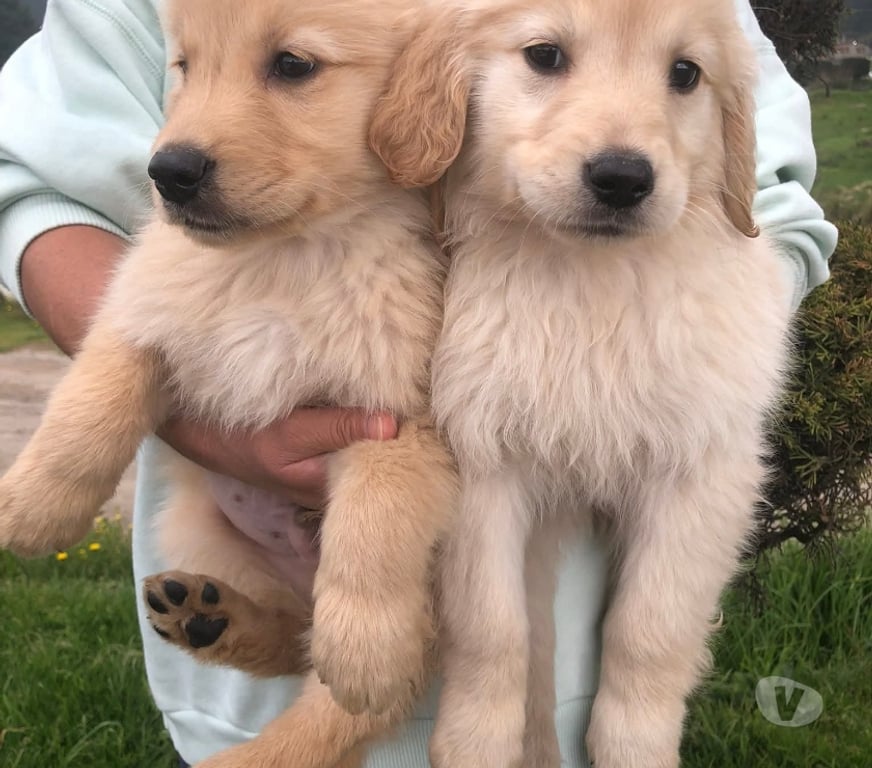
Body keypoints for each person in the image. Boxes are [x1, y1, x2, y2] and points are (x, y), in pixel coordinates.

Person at [0, 0, 837, 766]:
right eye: (545, 54)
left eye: (680, 75)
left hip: (585, 698)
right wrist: (192, 420)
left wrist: (672, 368)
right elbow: (32, 180)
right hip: (249, 681)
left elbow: (775, 200)